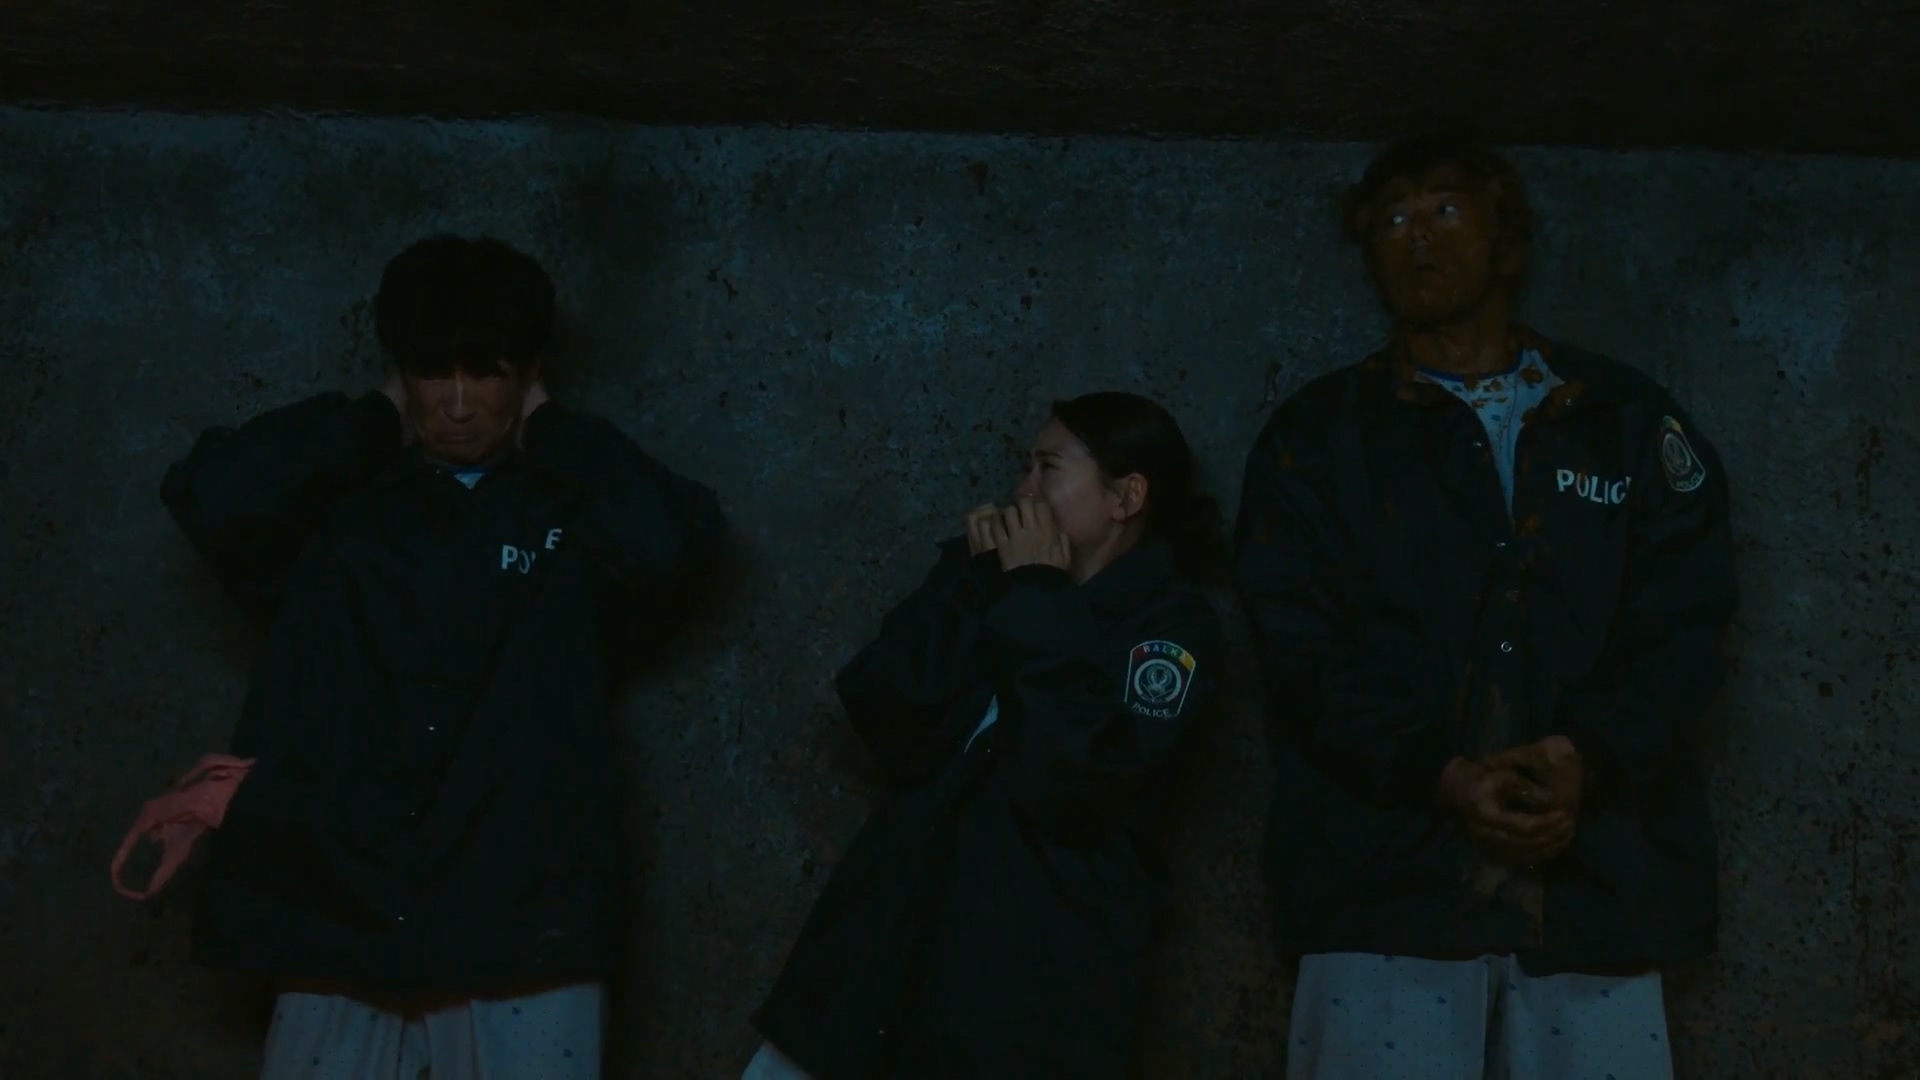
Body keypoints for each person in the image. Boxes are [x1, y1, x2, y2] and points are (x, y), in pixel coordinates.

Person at [140, 234, 726, 1078]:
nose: (455, 403)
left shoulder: (571, 515)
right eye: (429, 372)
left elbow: (679, 542)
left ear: (528, 373)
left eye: (485, 373)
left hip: (523, 924)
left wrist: (551, 424)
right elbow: (212, 496)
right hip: (341, 906)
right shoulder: (342, 511)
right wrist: (377, 415)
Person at [1235, 137, 1739, 1079]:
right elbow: (1298, 648)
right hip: (1384, 894)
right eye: (1392, 217)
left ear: (1509, 243)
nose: (1415, 235)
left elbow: (1684, 624)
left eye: (1445, 208)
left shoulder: (1622, 419)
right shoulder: (1320, 436)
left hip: (1595, 897)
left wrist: (1587, 757)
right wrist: (1440, 773)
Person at [744, 392, 1226, 1079]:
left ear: (1125, 497)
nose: (1022, 491)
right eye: (1025, 468)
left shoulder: (1171, 630)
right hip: (874, 963)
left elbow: (1078, 780)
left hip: (1015, 1000)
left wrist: (1037, 594)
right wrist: (971, 579)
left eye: (1048, 468)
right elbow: (883, 706)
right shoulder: (997, 582)